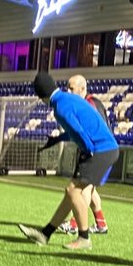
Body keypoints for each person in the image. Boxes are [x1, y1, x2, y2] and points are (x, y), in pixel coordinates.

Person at [18, 71, 121, 251]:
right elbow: (78, 127)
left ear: (42, 96)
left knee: (73, 191)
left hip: (100, 150)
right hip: (105, 148)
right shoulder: (67, 99)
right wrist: (58, 140)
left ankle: (84, 238)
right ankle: (45, 234)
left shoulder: (60, 108)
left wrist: (88, 150)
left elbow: (80, 132)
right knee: (70, 194)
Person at [53, 77, 112, 235]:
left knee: (84, 188)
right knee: (90, 189)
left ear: (82, 88)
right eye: (67, 88)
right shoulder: (84, 104)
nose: (68, 92)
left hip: (99, 151)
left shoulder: (90, 104)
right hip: (93, 151)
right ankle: (101, 224)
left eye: (71, 89)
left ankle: (74, 224)